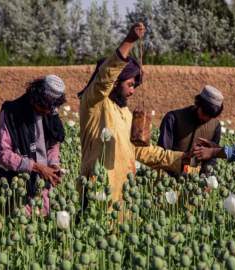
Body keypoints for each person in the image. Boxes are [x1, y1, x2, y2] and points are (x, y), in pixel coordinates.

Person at [78, 23, 194, 203]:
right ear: (116, 82)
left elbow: (139, 149)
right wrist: (129, 41)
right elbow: (104, 78)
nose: (133, 91)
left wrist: (180, 158)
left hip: (123, 192)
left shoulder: (125, 113)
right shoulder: (94, 103)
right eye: (130, 85)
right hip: (98, 191)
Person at [0, 75, 66, 213]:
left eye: (50, 110)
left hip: (42, 190)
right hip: (15, 191)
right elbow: (2, 153)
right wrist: (37, 167)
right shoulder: (11, 113)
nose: (46, 112)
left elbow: (53, 144)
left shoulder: (50, 113)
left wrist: (53, 165)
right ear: (34, 98)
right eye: (44, 108)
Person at [158, 85, 223, 176]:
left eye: (211, 116)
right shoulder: (173, 119)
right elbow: (161, 153)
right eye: (204, 113)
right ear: (198, 104)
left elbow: (211, 159)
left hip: (196, 182)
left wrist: (207, 177)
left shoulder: (215, 126)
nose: (206, 118)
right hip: (169, 177)